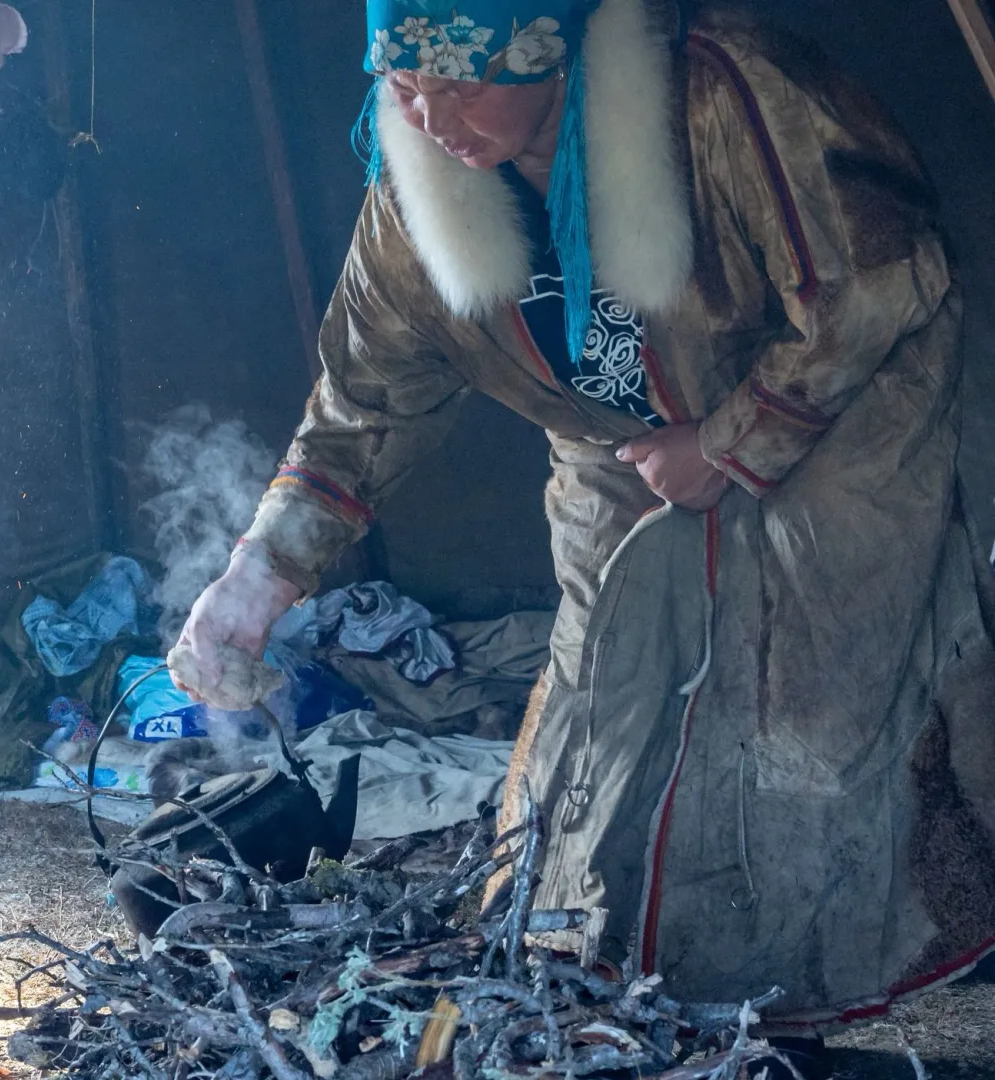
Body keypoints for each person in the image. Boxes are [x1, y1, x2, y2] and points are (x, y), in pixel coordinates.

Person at [170, 0, 995, 1041]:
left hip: (839, 413)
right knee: (597, 707)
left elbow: (879, 283)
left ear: (546, 50)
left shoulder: (723, 94)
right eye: (405, 89)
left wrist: (734, 441)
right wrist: (259, 576)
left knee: (817, 713)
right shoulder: (415, 187)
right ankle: (626, 971)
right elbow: (362, 401)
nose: (429, 119)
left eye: (459, 83)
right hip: (616, 450)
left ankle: (842, 970)